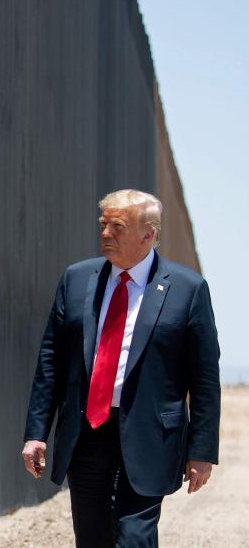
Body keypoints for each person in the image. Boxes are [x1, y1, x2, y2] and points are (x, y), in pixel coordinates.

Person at [21, 189, 220, 547]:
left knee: (134, 537)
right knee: (93, 537)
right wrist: (36, 432)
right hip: (87, 432)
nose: (106, 234)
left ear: (149, 234)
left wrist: (202, 451)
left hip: (151, 435)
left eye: (118, 227)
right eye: (103, 225)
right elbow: (50, 360)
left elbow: (204, 378)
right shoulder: (77, 279)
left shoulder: (187, 290)